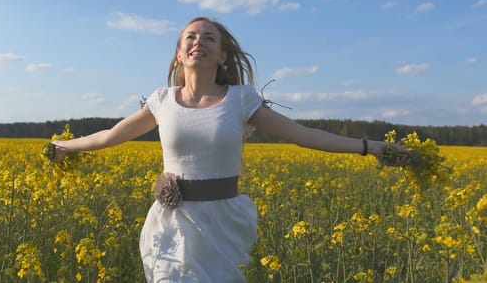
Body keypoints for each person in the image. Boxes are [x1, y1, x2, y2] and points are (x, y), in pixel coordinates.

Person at [49, 16, 409, 282]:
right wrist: (63, 145)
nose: (198, 42)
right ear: (178, 54)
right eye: (190, 37)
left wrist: (370, 146)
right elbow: (111, 135)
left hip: (223, 223)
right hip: (171, 225)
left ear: (222, 56)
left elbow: (303, 135)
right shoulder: (161, 100)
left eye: (209, 38)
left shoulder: (240, 100)